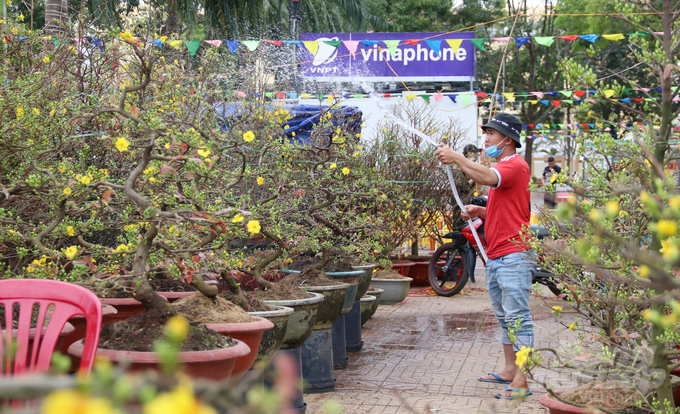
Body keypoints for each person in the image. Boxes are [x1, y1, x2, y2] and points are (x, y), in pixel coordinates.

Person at [434, 113, 535, 400]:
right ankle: (508, 370)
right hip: (498, 254)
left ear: (507, 139)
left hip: (514, 255)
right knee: (505, 317)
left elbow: (487, 177)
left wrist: (456, 158)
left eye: (491, 134)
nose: (486, 139)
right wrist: (481, 211)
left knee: (519, 319)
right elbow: (507, 206)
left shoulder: (515, 165)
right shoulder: (506, 166)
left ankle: (522, 380)